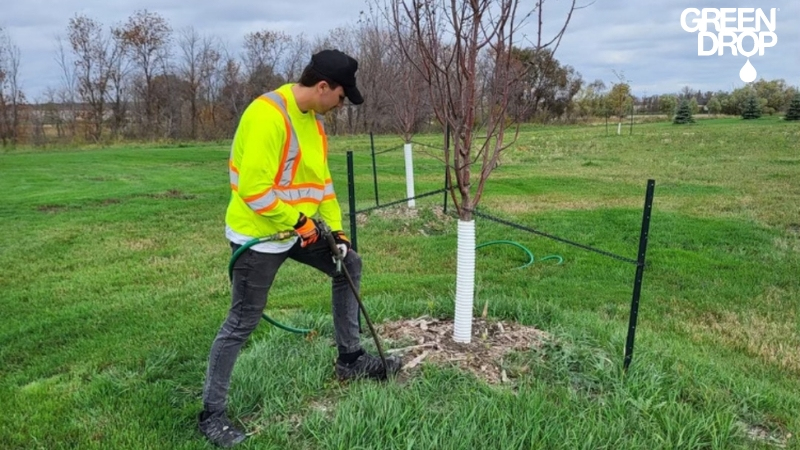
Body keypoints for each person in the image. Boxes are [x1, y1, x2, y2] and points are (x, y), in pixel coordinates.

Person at [197, 49, 402, 448]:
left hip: (298, 231)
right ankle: (212, 414)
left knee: (349, 266)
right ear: (323, 86)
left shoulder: (315, 124)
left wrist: (338, 233)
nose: (342, 105)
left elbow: (322, 186)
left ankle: (351, 360)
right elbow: (253, 189)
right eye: (341, 97)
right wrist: (298, 223)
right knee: (242, 322)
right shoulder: (267, 115)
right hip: (258, 236)